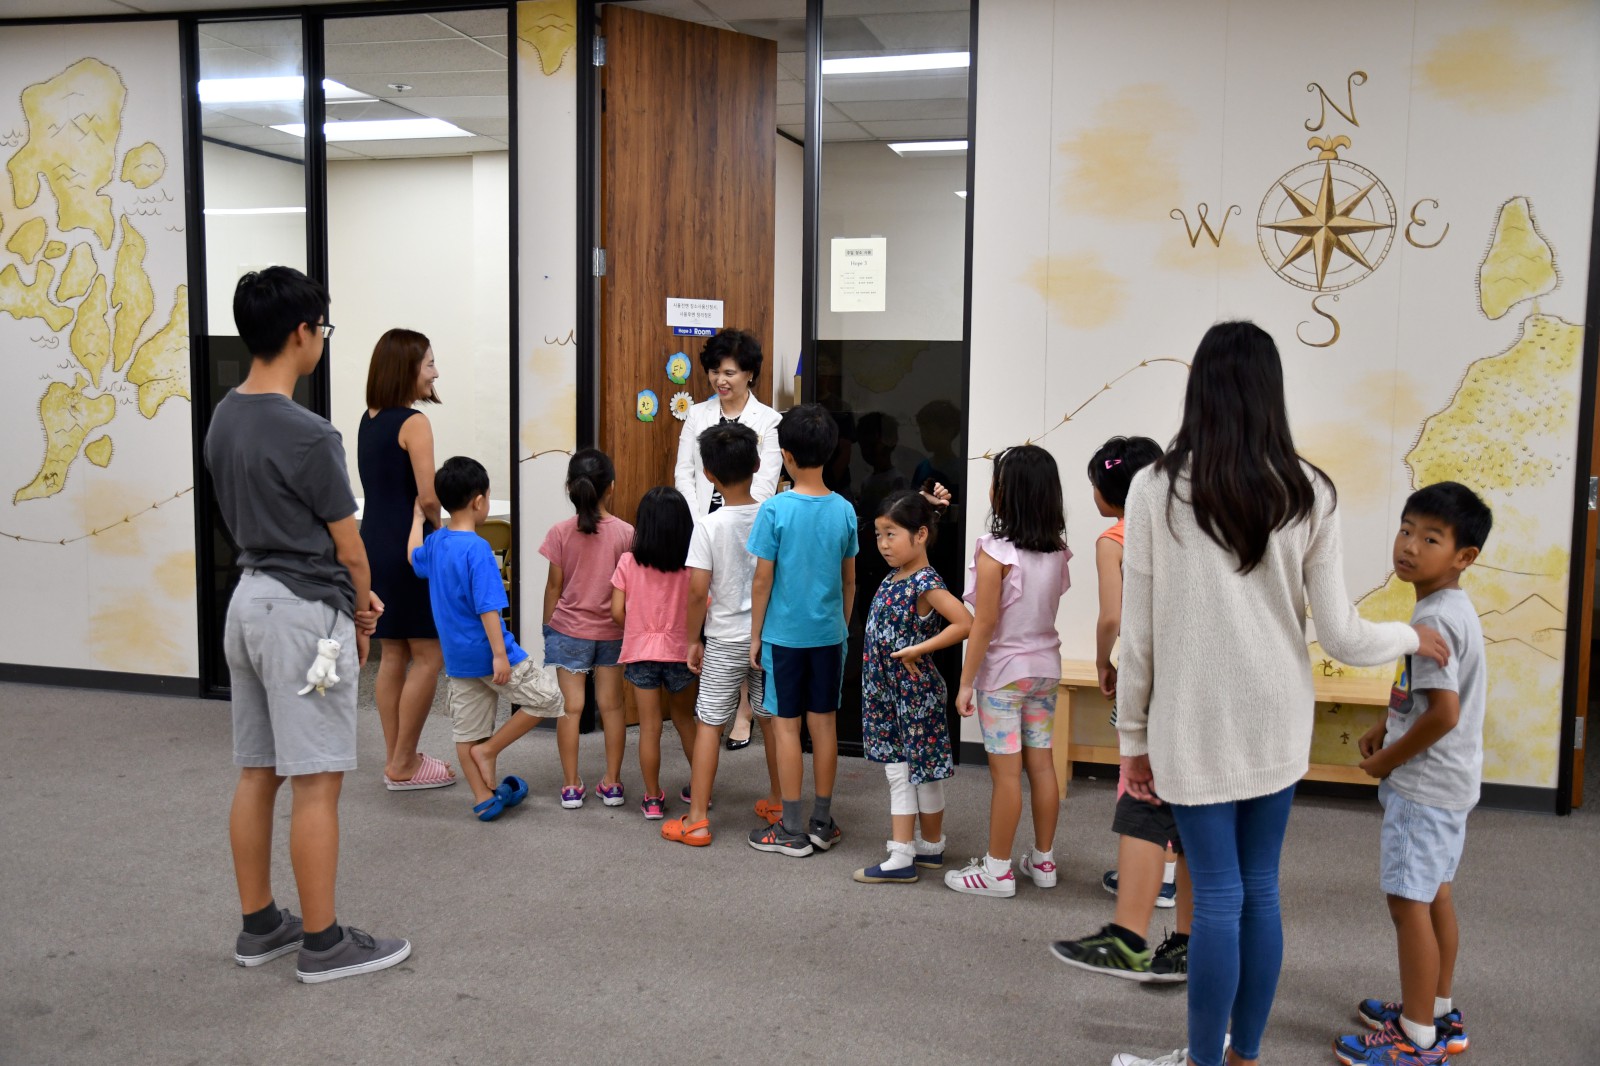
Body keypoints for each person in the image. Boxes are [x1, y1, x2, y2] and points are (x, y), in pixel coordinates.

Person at [1110, 321, 1449, 1066]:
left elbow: (1138, 637)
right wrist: (1408, 636)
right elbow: (1343, 634)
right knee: (1259, 888)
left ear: (1198, 387)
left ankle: (1204, 1060)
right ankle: (1245, 1057)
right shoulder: (1309, 490)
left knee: (1218, 897)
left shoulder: (1154, 489)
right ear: (1273, 390)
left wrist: (1131, 738)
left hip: (1190, 721)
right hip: (1278, 715)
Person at [206, 266, 409, 984]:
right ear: (302, 332)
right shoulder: (309, 433)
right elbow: (350, 547)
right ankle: (324, 943)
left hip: (247, 604)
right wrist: (363, 610)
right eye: (322, 327)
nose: (322, 339)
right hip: (303, 616)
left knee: (258, 771)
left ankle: (260, 923)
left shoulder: (224, 416)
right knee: (317, 782)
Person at [1332, 483, 1490, 1066]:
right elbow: (1426, 695)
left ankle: (1416, 1037)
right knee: (1435, 894)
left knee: (1407, 904)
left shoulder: (1437, 619)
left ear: (1464, 556)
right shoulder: (1447, 607)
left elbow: (1444, 714)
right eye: (1406, 530)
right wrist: (1386, 722)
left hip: (1423, 788)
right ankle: (1437, 1008)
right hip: (1451, 784)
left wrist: (1388, 759)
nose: (1409, 546)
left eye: (1430, 538)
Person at [1053, 435, 1193, 981]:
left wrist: (1102, 660)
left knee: (1138, 785)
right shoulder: (1182, 526)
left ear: (1111, 492)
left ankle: (1141, 904)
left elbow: (1113, 616)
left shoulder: (1113, 538)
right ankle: (1180, 923)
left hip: (1146, 672)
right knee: (1187, 796)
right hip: (1190, 672)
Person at [407, 457, 565, 821]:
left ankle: (483, 796)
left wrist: (417, 520)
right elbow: (488, 608)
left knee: (468, 732)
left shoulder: (437, 542)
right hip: (489, 652)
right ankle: (490, 751)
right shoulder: (477, 549)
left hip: (458, 659)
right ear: (479, 501)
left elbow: (413, 558)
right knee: (549, 698)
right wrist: (499, 655)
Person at [946, 444, 1072, 897]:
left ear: (1006, 493)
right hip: (1045, 670)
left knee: (1005, 775)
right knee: (1042, 767)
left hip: (1003, 677)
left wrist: (965, 683)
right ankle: (1043, 861)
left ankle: (997, 872)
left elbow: (984, 624)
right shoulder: (1058, 552)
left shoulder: (994, 552)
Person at [746, 403, 859, 858]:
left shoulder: (774, 510)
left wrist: (756, 635)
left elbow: (762, 581)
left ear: (786, 456)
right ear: (830, 453)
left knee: (787, 729)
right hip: (829, 636)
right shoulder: (844, 510)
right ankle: (821, 822)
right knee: (825, 725)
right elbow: (849, 581)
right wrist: (841, 627)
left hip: (784, 638)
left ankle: (791, 829)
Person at [663, 423, 779, 846]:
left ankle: (697, 820)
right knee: (771, 722)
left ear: (708, 474)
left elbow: (698, 591)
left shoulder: (709, 526)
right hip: (767, 637)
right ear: (757, 464)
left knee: (710, 724)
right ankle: (779, 803)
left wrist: (693, 639)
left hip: (725, 639)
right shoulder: (772, 516)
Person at [853, 491, 972, 884]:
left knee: (903, 771)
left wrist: (918, 649)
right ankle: (931, 847)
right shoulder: (896, 576)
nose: (883, 544)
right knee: (919, 772)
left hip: (911, 693)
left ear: (920, 535)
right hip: (890, 691)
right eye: (878, 535)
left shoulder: (924, 581)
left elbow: (965, 623)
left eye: (892, 534)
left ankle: (902, 855)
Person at [673, 328, 782, 751]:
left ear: (750, 373)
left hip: (753, 530)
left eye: (731, 372)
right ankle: (728, 702)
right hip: (707, 528)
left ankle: (745, 710)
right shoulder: (697, 415)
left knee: (747, 610)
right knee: (715, 610)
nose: (721, 380)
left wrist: (736, 521)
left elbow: (766, 482)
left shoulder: (768, 420)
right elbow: (684, 473)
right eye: (715, 371)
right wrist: (703, 520)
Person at [358, 327, 454, 791]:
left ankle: (400, 757)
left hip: (374, 544)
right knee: (430, 655)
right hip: (409, 548)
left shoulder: (369, 418)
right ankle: (403, 764)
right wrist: (443, 530)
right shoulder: (414, 423)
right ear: (407, 368)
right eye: (429, 363)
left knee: (393, 652)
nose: (435, 372)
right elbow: (428, 497)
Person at [540, 449, 634, 809]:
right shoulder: (626, 533)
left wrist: (548, 629)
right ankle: (613, 784)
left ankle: (570, 786)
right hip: (613, 631)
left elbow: (554, 587)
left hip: (568, 630)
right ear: (612, 487)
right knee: (612, 707)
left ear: (570, 487)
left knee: (571, 707)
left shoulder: (560, 532)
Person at [611, 486, 699, 820]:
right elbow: (702, 606)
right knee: (685, 721)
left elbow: (616, 611)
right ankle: (699, 788)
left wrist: (638, 629)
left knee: (649, 728)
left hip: (641, 652)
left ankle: (651, 798)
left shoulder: (628, 562)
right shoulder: (692, 566)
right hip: (681, 652)